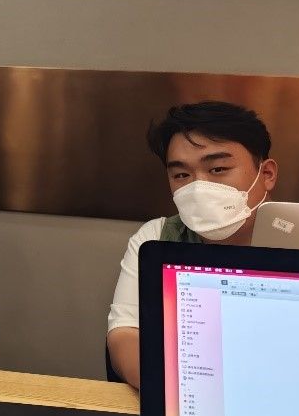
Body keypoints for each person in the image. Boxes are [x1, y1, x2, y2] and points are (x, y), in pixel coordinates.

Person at [106, 101, 278, 389]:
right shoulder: (157, 237)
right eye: (182, 175)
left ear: (267, 174)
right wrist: (188, 391)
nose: (198, 187)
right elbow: (125, 334)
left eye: (218, 168)